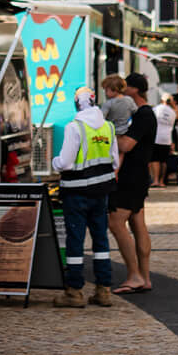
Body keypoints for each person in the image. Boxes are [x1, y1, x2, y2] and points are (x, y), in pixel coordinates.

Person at [51, 87, 118, 308]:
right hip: (102, 191)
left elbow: (66, 162)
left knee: (75, 241)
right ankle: (104, 290)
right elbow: (115, 161)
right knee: (101, 240)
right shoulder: (108, 127)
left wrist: (54, 162)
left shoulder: (75, 127)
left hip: (77, 191)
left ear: (76, 103)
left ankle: (74, 291)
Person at [107, 73, 156, 297]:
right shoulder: (142, 113)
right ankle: (144, 277)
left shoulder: (143, 115)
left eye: (125, 87)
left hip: (131, 177)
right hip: (138, 176)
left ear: (134, 90)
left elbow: (126, 145)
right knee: (138, 224)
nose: (121, 91)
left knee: (116, 222)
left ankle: (134, 275)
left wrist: (105, 134)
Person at [150, 88, 178, 187]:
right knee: (163, 160)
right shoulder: (173, 112)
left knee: (155, 160)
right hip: (167, 139)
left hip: (156, 137)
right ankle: (162, 181)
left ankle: (156, 180)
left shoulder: (156, 109)